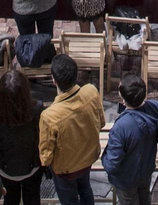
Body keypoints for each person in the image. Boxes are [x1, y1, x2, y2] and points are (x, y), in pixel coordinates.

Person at [40, 54, 104, 205]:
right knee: (86, 188)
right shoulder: (91, 92)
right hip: (88, 158)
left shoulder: (50, 115)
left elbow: (46, 155)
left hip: (65, 170)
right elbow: (101, 122)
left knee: (69, 200)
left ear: (54, 80)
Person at [0, 68, 45, 205]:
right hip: (33, 165)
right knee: (33, 198)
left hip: (5, 166)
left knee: (10, 198)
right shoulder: (37, 109)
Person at [102, 75, 158, 205]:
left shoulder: (121, 127)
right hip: (146, 169)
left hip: (126, 179)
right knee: (145, 198)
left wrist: (104, 160)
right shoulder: (155, 108)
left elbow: (112, 164)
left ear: (124, 101)